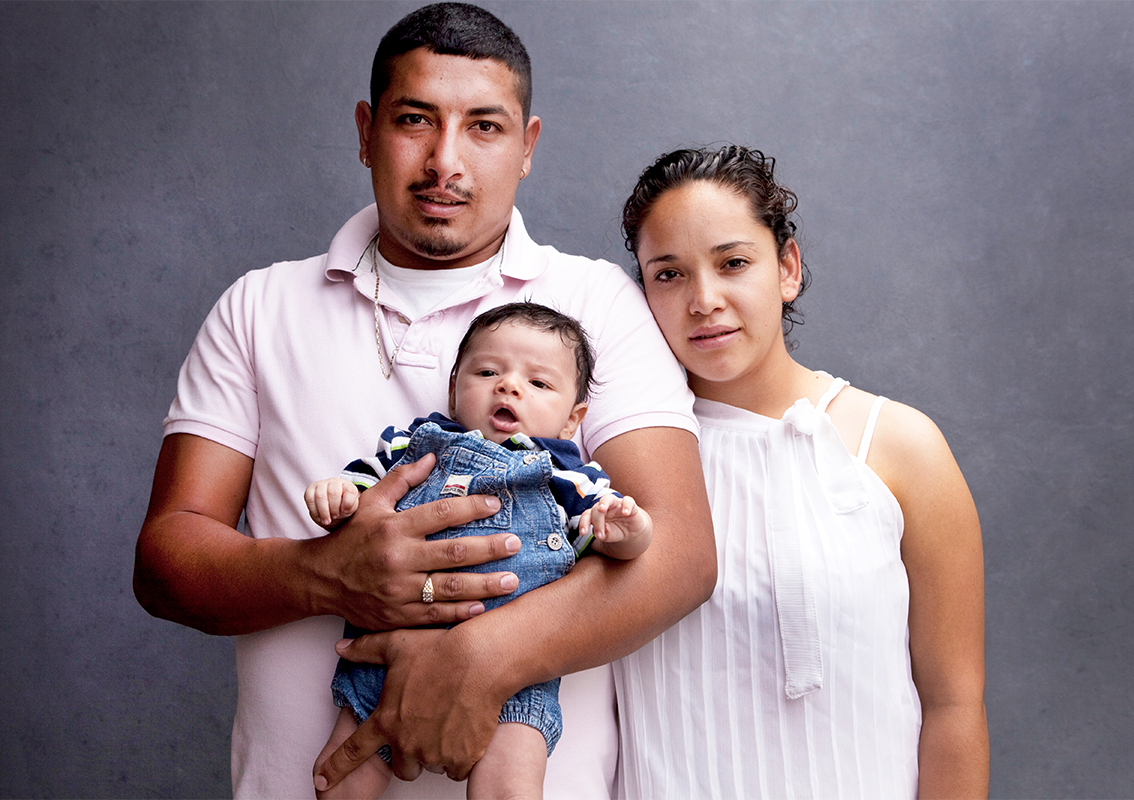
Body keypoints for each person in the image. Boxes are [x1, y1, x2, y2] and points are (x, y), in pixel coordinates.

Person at [132, 4, 715, 799]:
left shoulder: (597, 303)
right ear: (368, 130)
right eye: (415, 120)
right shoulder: (259, 307)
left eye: (484, 127)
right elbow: (167, 560)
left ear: (527, 146)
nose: (447, 160)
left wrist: (473, 660)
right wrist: (328, 575)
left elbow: (679, 557)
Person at [613, 146, 989, 799]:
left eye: (733, 263)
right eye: (668, 274)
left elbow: (955, 708)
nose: (704, 300)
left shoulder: (899, 448)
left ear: (786, 268)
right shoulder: (616, 465)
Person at [306, 302, 652, 800]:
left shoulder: (566, 474)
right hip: (387, 649)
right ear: (453, 389)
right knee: (340, 777)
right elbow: (361, 495)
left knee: (510, 784)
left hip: (515, 666)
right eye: (488, 371)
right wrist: (337, 496)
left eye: (538, 384)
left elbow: (616, 541)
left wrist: (628, 529)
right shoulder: (414, 444)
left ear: (572, 419)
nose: (508, 386)